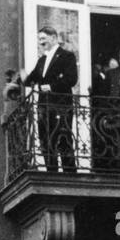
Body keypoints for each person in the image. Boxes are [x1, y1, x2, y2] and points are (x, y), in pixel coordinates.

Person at [23, 24, 78, 173]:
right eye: (39, 39)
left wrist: (52, 87)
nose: (41, 42)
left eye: (43, 38)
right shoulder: (42, 60)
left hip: (61, 106)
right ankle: (51, 172)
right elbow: (30, 80)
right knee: (46, 141)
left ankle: (70, 175)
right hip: (44, 107)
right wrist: (22, 77)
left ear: (54, 38)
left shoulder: (67, 56)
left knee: (63, 140)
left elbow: (72, 79)